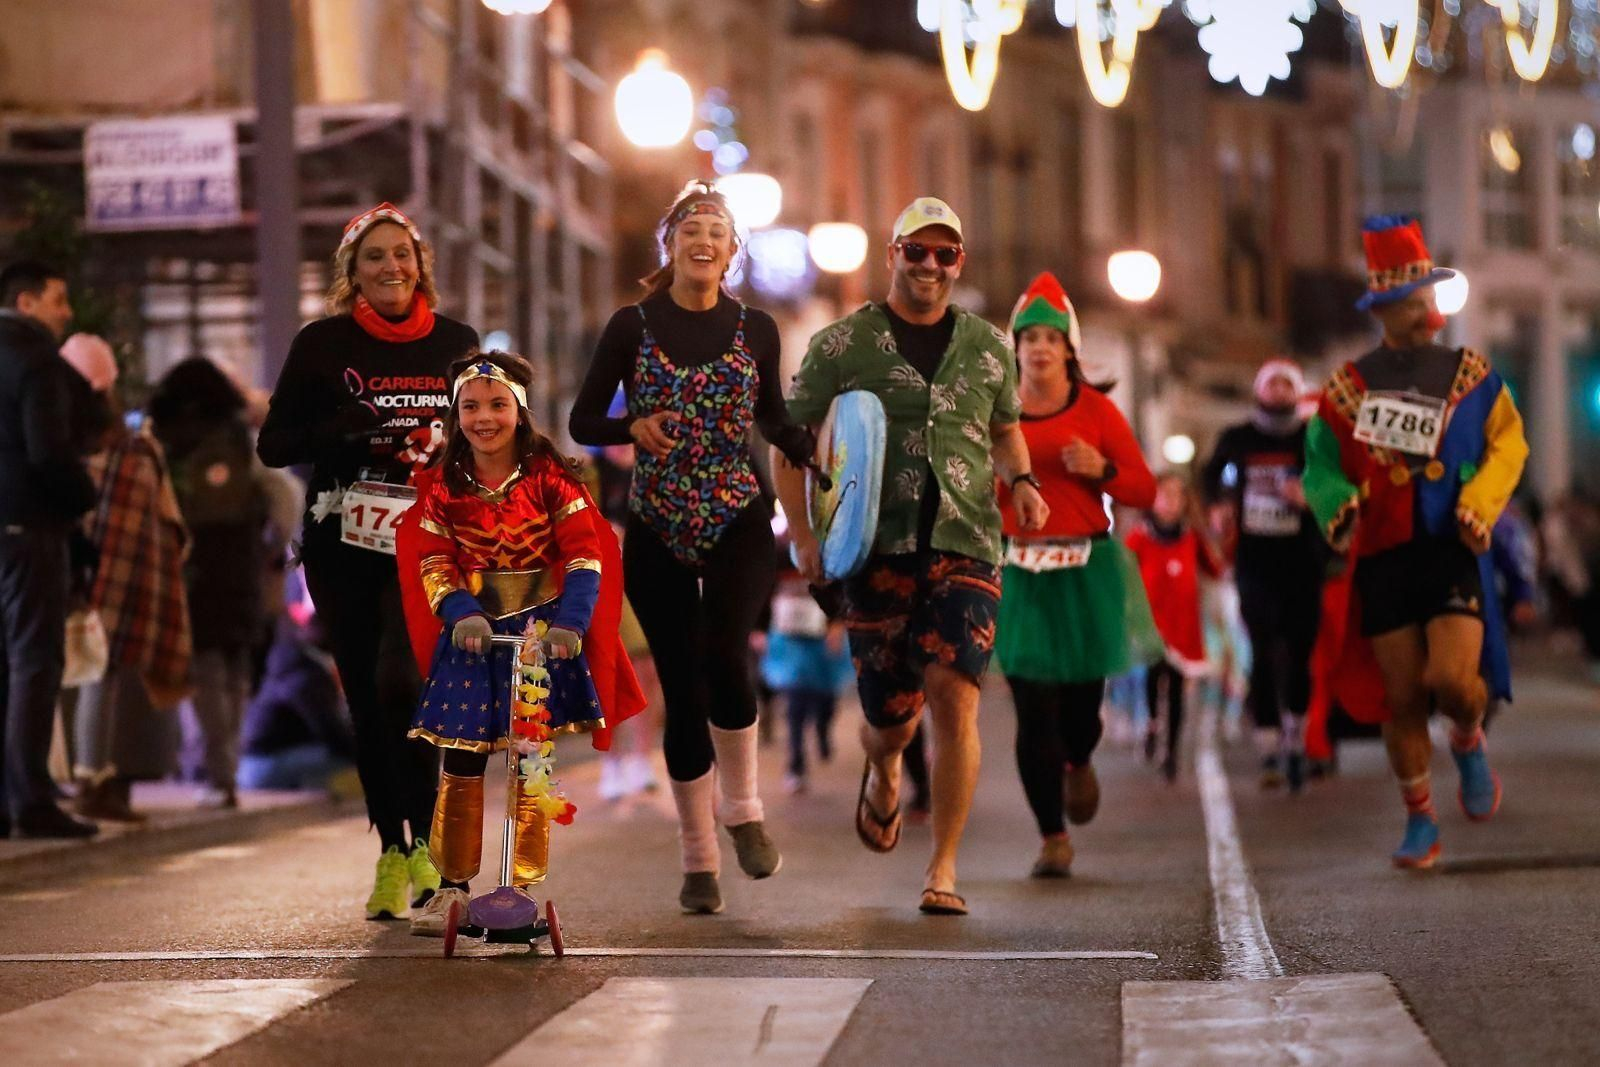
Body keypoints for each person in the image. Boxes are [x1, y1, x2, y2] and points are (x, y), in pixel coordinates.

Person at [775, 197, 1048, 915]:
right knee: (889, 716)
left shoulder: (989, 346)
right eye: (916, 251)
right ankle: (886, 763)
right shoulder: (842, 344)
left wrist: (1021, 481)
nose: (930, 265)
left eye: (945, 253)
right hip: (873, 547)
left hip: (967, 541)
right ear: (891, 253)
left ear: (960, 262)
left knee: (956, 698)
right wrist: (804, 536)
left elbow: (1006, 429)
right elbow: (793, 442)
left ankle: (944, 868)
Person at [570, 181, 813, 915]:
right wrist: (630, 429)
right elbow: (584, 419)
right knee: (682, 687)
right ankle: (698, 858)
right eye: (690, 230)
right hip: (658, 520)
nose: (704, 241)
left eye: (717, 231)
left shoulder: (757, 328)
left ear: (732, 252)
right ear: (669, 246)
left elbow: (770, 414)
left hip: (738, 513)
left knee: (728, 660)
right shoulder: (630, 325)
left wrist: (818, 447)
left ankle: (742, 808)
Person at [258, 203, 478, 919]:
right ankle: (396, 848)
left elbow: (489, 429)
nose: (391, 268)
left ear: (421, 266)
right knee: (363, 693)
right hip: (342, 540)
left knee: (404, 680)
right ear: (351, 270)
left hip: (427, 542)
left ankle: (428, 836)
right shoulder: (322, 344)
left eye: (402, 255)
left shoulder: (456, 341)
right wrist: (336, 431)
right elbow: (273, 445)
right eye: (376, 257)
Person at [1304, 215, 1528, 869]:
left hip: (1451, 545)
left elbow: (1509, 445)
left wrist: (1481, 505)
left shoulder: (1471, 373)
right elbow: (1319, 463)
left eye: (1428, 293)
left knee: (1453, 681)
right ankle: (1420, 819)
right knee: (1402, 697)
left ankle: (1466, 733)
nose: (1427, 305)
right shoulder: (1349, 386)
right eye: (1414, 296)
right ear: (1386, 306)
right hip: (1383, 554)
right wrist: (1337, 507)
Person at [394, 351, 645, 936]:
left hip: (538, 637)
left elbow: (586, 555)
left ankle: (522, 884)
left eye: (497, 405)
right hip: (472, 637)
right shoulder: (442, 490)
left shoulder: (551, 479)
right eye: (471, 407)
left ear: (520, 411)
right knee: (460, 757)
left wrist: (571, 625)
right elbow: (432, 560)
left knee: (533, 759)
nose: (484, 417)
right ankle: (451, 886)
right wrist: (459, 610)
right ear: (457, 416)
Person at [993, 272, 1160, 877]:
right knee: (1033, 708)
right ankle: (1052, 837)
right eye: (1029, 336)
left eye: (1051, 337)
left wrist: (1102, 467)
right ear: (1014, 346)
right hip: (1018, 573)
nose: (1039, 347)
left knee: (1080, 714)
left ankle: (1080, 761)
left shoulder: (1095, 409)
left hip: (1086, 567)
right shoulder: (996, 407)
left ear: (1070, 349)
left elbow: (1144, 487)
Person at [71, 341, 194, 822]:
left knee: (82, 675)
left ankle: (86, 778)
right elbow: (164, 523)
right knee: (101, 675)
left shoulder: (61, 437)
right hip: (121, 578)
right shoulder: (134, 449)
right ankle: (93, 779)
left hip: (66, 568)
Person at [0, 262, 99, 838]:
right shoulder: (37, 360)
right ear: (28, 302)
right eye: (58, 299)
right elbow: (49, 452)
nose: (67, 312)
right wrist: (82, 499)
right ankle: (33, 802)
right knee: (35, 662)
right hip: (29, 526)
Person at [149, 357, 270, 809]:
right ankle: (228, 770)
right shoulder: (238, 436)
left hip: (191, 563)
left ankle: (216, 774)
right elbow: (278, 496)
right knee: (236, 667)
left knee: (202, 669)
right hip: (240, 560)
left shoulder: (165, 439)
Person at [1202, 359, 1327, 791]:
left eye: (1286, 383)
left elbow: (1338, 483)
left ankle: (1295, 733)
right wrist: (1218, 506)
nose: (1277, 390)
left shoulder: (1313, 437)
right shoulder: (1237, 438)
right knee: (1259, 646)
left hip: (1303, 560)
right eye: (1270, 382)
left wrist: (1311, 496)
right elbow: (1210, 476)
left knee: (1298, 652)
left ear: (1297, 391)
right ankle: (1269, 744)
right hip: (1254, 559)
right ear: (1258, 390)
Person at [1124, 473, 1224, 782]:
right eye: (1164, 495)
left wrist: (1215, 534)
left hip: (1183, 627)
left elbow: (1215, 569)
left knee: (1179, 690)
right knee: (1154, 679)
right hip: (1152, 627)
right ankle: (1153, 724)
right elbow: (1122, 573)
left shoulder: (1191, 537)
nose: (1171, 502)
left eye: (1178, 496)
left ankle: (1172, 752)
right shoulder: (1140, 537)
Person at [760, 555, 853, 795]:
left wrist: (838, 624)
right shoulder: (777, 551)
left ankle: (823, 730)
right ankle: (796, 767)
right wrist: (758, 629)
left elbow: (844, 588)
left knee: (826, 699)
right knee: (795, 705)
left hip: (822, 640)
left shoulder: (830, 549)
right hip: (789, 639)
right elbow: (760, 586)